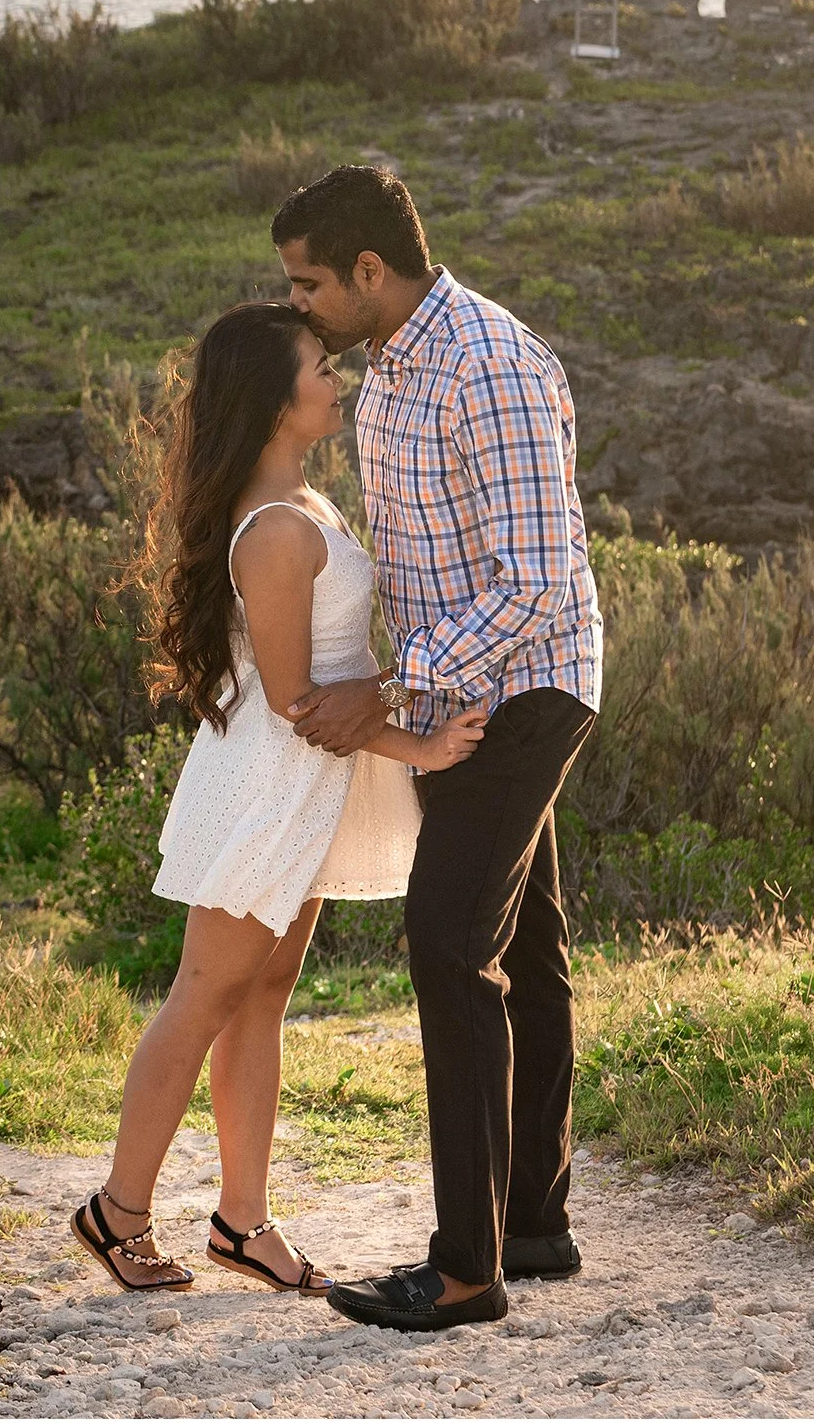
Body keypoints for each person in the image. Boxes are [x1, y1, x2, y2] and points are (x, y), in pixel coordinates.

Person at [71, 301, 486, 1297]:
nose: (333, 380)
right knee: (205, 994)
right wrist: (418, 744)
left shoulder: (309, 506)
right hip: (268, 786)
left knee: (262, 995)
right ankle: (116, 1213)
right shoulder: (274, 533)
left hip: (304, 789)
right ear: (272, 397)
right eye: (317, 367)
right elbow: (301, 703)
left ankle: (241, 1222)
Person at [271, 167, 603, 1333]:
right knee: (528, 941)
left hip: (521, 688)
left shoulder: (487, 365)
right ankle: (532, 1224)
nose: (299, 301)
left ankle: (465, 1269)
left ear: (371, 272)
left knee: (450, 945)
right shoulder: (391, 367)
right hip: (471, 687)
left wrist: (391, 693)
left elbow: (541, 581)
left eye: (309, 281)